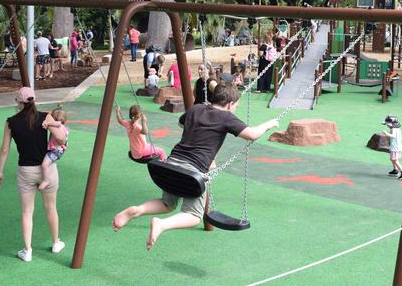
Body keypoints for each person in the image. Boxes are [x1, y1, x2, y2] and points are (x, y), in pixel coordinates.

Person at [112, 82, 279, 250]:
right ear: (230, 104)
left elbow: (181, 123)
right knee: (193, 216)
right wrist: (270, 124)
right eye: (236, 105)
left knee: (167, 204)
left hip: (171, 163)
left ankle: (137, 210)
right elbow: (252, 134)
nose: (236, 108)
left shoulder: (196, 108)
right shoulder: (227, 117)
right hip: (192, 172)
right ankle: (161, 224)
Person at [0, 87, 67, 262]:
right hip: (47, 169)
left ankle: (27, 251)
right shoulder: (45, 116)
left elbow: (5, 150)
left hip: (25, 171)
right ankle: (56, 242)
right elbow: (62, 139)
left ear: (19, 102)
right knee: (51, 207)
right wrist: (50, 124)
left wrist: (0, 171)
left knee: (27, 212)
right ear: (34, 100)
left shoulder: (11, 122)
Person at [39, 107, 69, 190]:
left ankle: (46, 180)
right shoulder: (62, 127)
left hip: (56, 151)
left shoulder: (59, 125)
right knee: (47, 162)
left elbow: (58, 124)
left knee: (44, 164)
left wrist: (47, 123)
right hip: (57, 150)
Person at [381, 115, 402, 180]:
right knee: (393, 159)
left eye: (387, 124)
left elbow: (393, 136)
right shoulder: (395, 129)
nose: (387, 125)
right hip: (395, 147)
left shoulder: (394, 129)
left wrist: (386, 133)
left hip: (396, 148)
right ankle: (395, 171)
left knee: (395, 160)